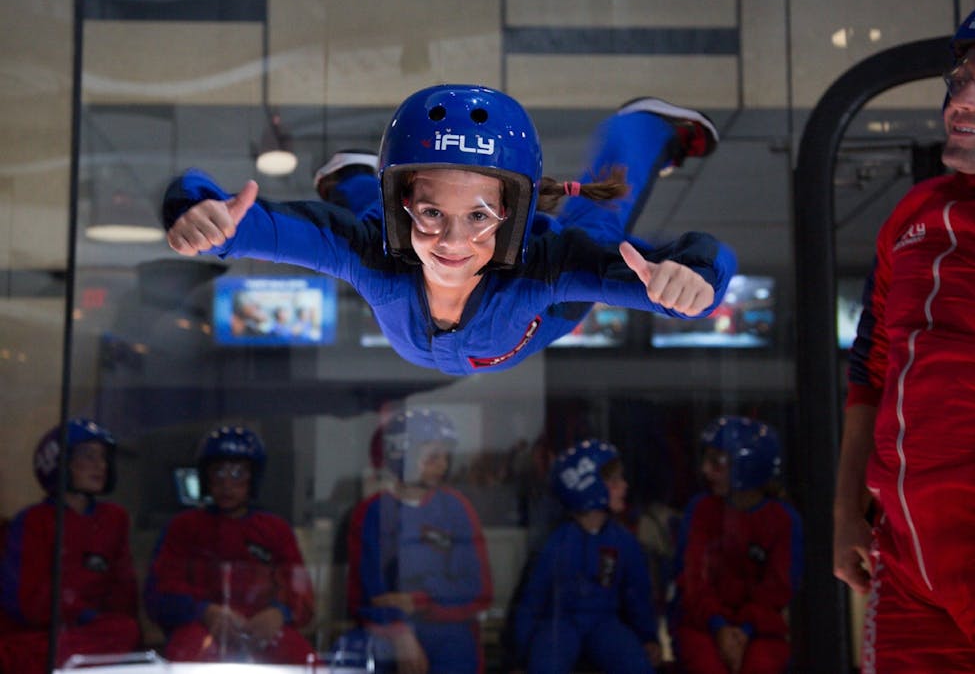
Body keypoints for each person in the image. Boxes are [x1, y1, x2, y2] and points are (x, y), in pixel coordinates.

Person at [163, 84, 736, 376]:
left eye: (480, 217)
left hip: (536, 320)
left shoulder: (544, 265)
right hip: (407, 264)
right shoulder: (377, 245)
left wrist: (693, 280)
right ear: (406, 200)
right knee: (374, 230)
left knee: (599, 222)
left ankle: (639, 128)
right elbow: (252, 225)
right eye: (433, 212)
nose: (453, 244)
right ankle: (357, 182)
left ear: (512, 216)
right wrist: (201, 214)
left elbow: (684, 270)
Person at [832, 7, 975, 671]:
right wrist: (844, 511)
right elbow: (869, 368)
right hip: (904, 554)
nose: (962, 100)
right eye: (959, 78)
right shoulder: (911, 212)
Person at [144, 425, 314, 663]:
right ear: (205, 477)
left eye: (238, 473)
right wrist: (204, 611)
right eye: (218, 472)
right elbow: (159, 595)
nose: (227, 484)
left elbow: (301, 594)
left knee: (306, 661)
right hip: (201, 629)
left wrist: (279, 613)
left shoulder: (275, 529)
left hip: (263, 629)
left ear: (254, 477)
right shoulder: (183, 527)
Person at [343, 408, 493, 674]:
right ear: (403, 456)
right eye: (432, 456)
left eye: (446, 456)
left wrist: (418, 600)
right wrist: (399, 631)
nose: (443, 465)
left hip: (450, 633)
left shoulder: (456, 508)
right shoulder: (372, 512)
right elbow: (367, 598)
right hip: (385, 633)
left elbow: (477, 590)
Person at [0, 418, 141, 673]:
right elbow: (24, 600)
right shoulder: (34, 520)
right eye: (88, 456)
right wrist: (80, 614)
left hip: (96, 634)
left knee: (124, 630)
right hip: (40, 633)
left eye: (102, 458)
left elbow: (124, 593)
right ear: (59, 462)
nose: (100, 466)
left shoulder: (114, 518)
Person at [512, 438, 662, 674]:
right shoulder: (555, 543)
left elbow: (638, 594)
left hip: (604, 621)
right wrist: (519, 657)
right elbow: (532, 601)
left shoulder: (623, 541)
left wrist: (648, 637)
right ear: (588, 487)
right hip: (558, 624)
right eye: (614, 482)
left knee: (636, 666)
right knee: (546, 666)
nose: (624, 486)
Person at [670, 416, 802, 674]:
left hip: (760, 629)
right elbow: (692, 579)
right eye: (707, 460)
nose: (706, 470)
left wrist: (744, 631)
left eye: (717, 462)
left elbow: (778, 588)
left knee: (762, 665)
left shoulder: (782, 519)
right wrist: (718, 626)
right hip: (702, 623)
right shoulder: (701, 510)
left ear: (747, 465)